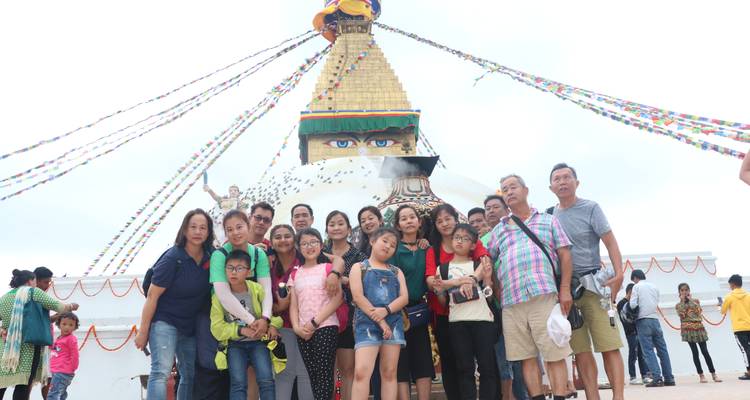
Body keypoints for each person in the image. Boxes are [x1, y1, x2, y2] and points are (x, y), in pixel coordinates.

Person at [486, 174, 573, 400]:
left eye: (513, 187)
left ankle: (560, 396)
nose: (509, 192)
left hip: (543, 294)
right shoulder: (498, 231)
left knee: (554, 353)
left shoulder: (548, 220)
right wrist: (495, 286)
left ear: (526, 190)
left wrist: (565, 290)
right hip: (512, 301)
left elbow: (565, 255)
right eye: (505, 189)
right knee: (526, 357)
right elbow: (488, 262)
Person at [548, 163, 625, 400]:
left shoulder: (591, 208)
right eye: (557, 179)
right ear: (550, 187)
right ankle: (593, 396)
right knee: (580, 350)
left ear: (576, 182)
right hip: (566, 290)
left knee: (609, 345)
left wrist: (619, 274)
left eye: (567, 177)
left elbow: (610, 242)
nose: (562, 182)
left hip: (595, 286)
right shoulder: (549, 215)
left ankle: (618, 396)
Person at [134, 209, 215, 400]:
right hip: (165, 322)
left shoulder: (211, 257)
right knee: (160, 372)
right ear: (184, 230)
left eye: (203, 227)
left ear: (209, 232)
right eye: (193, 227)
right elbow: (152, 296)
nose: (198, 231)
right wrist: (143, 331)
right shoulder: (172, 258)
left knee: (189, 374)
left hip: (190, 326)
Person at [424, 203, 490, 400]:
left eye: (448, 219)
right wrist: (449, 283)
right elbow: (430, 280)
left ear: (456, 219)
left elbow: (485, 262)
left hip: (476, 312)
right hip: (445, 313)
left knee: (483, 362)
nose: (445, 224)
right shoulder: (432, 249)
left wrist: (471, 280)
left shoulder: (470, 240)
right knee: (451, 362)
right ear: (435, 225)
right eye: (439, 221)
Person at [210, 250, 282, 400]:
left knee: (267, 380)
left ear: (249, 272)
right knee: (238, 384)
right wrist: (241, 330)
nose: (233, 272)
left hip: (259, 344)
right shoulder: (219, 296)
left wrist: (272, 325)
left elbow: (273, 316)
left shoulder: (257, 290)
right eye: (230, 268)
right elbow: (216, 328)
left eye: (240, 268)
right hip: (235, 345)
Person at [0, 270, 78, 400]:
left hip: (6, 349)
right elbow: (58, 306)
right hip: (28, 348)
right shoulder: (32, 292)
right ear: (31, 281)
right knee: (23, 387)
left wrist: (2, 329)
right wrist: (72, 306)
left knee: (2, 384)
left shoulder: (4, 298)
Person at [350, 227, 408, 400]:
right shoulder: (359, 267)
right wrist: (381, 320)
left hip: (394, 322)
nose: (388, 246)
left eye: (393, 245)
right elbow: (358, 297)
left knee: (389, 373)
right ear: (372, 241)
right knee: (361, 372)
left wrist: (387, 310)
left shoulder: (396, 271)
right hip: (366, 324)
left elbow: (404, 298)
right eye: (385, 241)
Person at [288, 228, 344, 400]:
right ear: (299, 248)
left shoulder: (328, 269)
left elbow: (338, 299)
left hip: (325, 326)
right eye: (304, 243)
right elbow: (294, 305)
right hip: (303, 331)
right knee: (312, 374)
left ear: (321, 245)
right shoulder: (295, 273)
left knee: (324, 373)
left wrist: (314, 323)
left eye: (313, 242)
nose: (309, 246)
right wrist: (297, 328)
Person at [482, 194, 527, 400]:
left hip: (516, 300)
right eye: (487, 208)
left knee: (522, 355)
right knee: (502, 358)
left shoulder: (515, 231)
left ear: (507, 209)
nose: (491, 211)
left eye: (495, 207)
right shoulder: (481, 241)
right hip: (494, 307)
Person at [389, 205, 434, 400]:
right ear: (398, 225)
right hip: (398, 311)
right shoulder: (394, 249)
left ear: (419, 221)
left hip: (420, 309)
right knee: (401, 361)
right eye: (403, 218)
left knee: (423, 358)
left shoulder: (427, 247)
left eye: (412, 217)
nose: (408, 221)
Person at [323, 211, 368, 400]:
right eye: (332, 224)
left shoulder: (358, 255)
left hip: (350, 316)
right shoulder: (320, 253)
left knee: (348, 368)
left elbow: (363, 284)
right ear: (326, 229)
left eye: (340, 224)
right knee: (328, 371)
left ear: (349, 229)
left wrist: (337, 277)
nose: (336, 227)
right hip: (324, 316)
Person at [268, 224, 315, 400]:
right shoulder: (268, 265)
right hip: (281, 327)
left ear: (294, 239)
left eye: (287, 236)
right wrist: (279, 307)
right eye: (278, 237)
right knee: (284, 374)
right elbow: (266, 301)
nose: (283, 240)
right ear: (271, 242)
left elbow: (334, 261)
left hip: (307, 326)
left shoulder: (305, 259)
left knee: (305, 373)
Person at [629, 269, 674, 387]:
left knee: (648, 351)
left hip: (643, 320)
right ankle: (669, 378)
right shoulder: (654, 287)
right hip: (655, 319)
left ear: (635, 278)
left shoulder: (636, 287)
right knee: (662, 350)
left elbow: (633, 305)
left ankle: (657, 378)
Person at [675, 283, 721, 383]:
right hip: (688, 330)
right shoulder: (678, 305)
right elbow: (682, 315)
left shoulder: (695, 301)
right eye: (682, 290)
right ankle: (701, 375)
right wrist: (683, 301)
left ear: (689, 291)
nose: (684, 292)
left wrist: (691, 301)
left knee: (705, 351)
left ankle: (713, 374)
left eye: (686, 290)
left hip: (699, 328)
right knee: (695, 353)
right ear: (679, 292)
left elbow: (699, 311)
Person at [616, 284, 649, 385]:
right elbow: (625, 318)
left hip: (638, 330)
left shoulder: (633, 302)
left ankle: (644, 375)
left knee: (642, 354)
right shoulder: (622, 303)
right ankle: (633, 377)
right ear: (630, 292)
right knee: (633, 353)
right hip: (631, 332)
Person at [720, 274, 750, 380]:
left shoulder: (729, 297)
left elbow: (722, 311)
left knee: (744, 350)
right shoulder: (748, 295)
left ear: (732, 284)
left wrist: (721, 304)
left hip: (739, 328)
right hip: (749, 326)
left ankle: (749, 372)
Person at [32, 266, 55, 399]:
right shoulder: (35, 295)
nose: (47, 285)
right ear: (37, 281)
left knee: (47, 377)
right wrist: (62, 313)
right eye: (46, 282)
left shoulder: (39, 295)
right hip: (37, 342)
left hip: (45, 341)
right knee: (31, 379)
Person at [47, 312, 79, 400]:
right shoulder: (60, 338)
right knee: (61, 395)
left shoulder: (71, 339)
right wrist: (50, 327)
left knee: (52, 395)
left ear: (75, 327)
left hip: (62, 372)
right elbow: (51, 346)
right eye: (64, 324)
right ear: (59, 324)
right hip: (57, 371)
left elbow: (75, 354)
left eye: (71, 325)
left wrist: (72, 368)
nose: (67, 327)